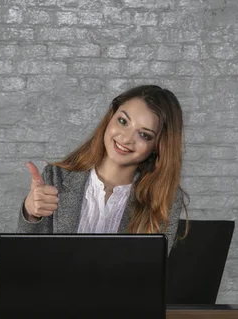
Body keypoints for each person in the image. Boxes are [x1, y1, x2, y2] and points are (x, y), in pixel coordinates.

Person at [17, 84, 188, 254]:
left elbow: (150, 271)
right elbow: (25, 257)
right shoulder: (56, 177)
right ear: (110, 117)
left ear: (158, 146)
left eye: (144, 134)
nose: (126, 138)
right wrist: (31, 213)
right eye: (123, 121)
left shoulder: (165, 199)